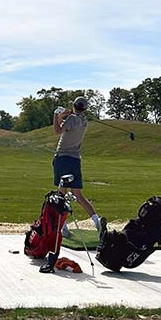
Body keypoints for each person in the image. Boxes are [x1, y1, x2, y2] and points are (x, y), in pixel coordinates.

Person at [53, 96, 103, 237]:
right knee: (78, 196)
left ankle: (63, 227)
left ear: (74, 105)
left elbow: (57, 130)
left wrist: (56, 115)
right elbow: (66, 127)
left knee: (61, 194)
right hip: (75, 160)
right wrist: (63, 116)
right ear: (85, 108)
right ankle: (96, 220)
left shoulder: (71, 119)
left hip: (62, 158)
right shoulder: (84, 121)